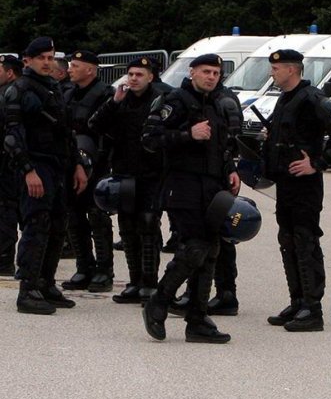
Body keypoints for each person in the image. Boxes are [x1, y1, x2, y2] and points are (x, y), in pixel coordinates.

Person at [141, 53, 241, 343]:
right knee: (195, 247)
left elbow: (223, 146)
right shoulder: (175, 100)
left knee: (210, 251)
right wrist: (187, 134)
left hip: (212, 187)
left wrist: (231, 170)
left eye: (216, 73)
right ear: (192, 71)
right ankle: (159, 301)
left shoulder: (217, 104)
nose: (211, 77)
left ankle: (197, 319)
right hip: (182, 185)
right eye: (206, 71)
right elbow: (149, 139)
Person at [262, 49, 331, 332]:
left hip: (306, 186)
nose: (271, 73)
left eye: (276, 69)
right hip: (286, 183)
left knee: (305, 242)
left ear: (291, 69)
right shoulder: (285, 98)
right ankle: (298, 301)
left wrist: (317, 163)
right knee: (287, 241)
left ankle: (313, 310)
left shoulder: (313, 98)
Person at [3, 37, 88, 314]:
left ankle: (46, 283)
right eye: (42, 58)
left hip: (59, 166)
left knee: (57, 225)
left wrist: (76, 164)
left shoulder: (52, 88)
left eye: (51, 58)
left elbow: (66, 132)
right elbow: (13, 136)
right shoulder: (19, 90)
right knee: (36, 226)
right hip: (36, 166)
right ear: (27, 61)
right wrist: (28, 171)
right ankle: (28, 289)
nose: (47, 63)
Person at [88, 57, 165, 304]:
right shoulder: (121, 101)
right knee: (128, 228)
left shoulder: (161, 100)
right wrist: (114, 102)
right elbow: (94, 125)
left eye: (139, 74)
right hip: (125, 172)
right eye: (130, 74)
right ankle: (134, 281)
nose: (133, 78)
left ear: (150, 76)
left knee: (148, 225)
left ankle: (150, 283)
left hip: (152, 174)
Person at [61, 50, 115, 292]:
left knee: (97, 216)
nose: (70, 69)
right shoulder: (68, 93)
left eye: (75, 65)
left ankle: (104, 271)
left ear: (90, 70)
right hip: (72, 162)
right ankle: (84, 267)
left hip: (98, 163)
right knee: (74, 217)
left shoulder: (106, 94)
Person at [0, 55, 24, 277]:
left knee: (7, 209)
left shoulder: (11, 93)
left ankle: (4, 258)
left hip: (9, 162)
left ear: (9, 72)